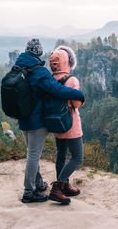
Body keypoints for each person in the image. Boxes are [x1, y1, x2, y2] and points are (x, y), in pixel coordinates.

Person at [15, 39, 85, 203]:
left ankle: (40, 185)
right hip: (40, 121)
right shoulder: (40, 72)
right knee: (36, 156)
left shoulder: (19, 68)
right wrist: (79, 95)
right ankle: (32, 191)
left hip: (23, 117)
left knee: (50, 155)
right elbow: (58, 90)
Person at [48, 46, 84, 204]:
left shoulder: (49, 80)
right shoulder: (72, 80)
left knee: (61, 155)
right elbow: (76, 103)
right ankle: (58, 187)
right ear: (68, 62)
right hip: (71, 124)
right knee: (77, 157)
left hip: (56, 123)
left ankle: (65, 186)